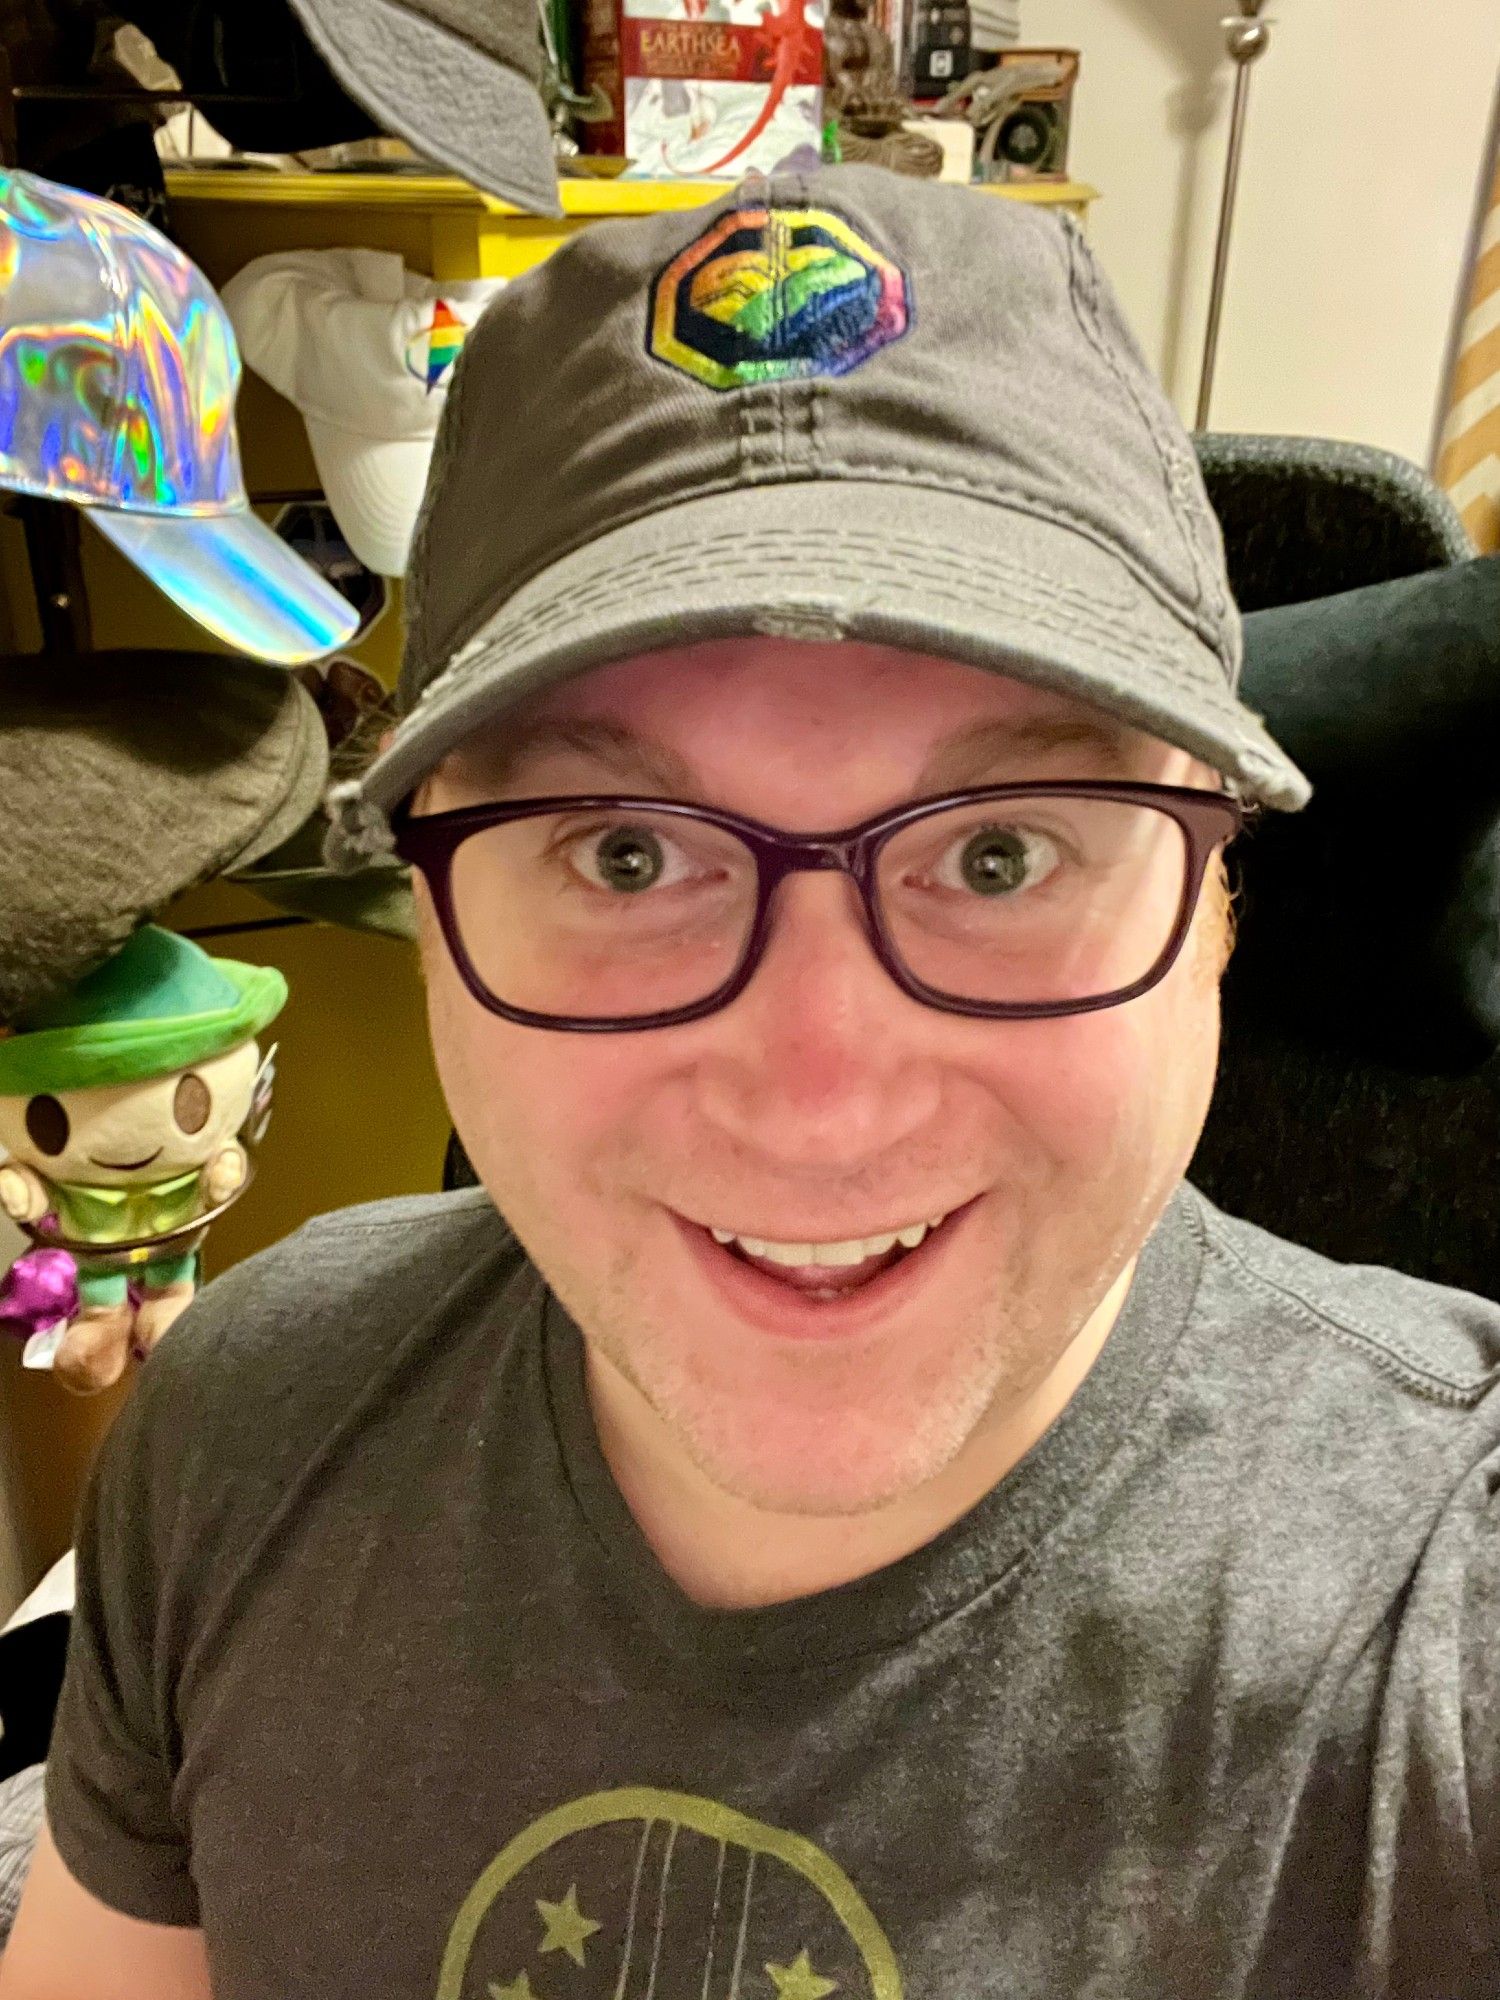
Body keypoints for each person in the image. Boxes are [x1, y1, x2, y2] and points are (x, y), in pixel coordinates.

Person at [2, 166, 1496, 2000]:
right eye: (626, 854)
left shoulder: (1446, 1642)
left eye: (1006, 853)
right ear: (423, 904)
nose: (817, 1099)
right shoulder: (239, 1438)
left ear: (1219, 914)